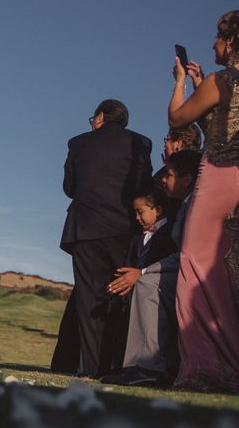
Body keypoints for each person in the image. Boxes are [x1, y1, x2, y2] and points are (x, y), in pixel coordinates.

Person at [168, 10, 239, 393]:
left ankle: (203, 368)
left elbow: (177, 118)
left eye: (217, 36)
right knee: (228, 274)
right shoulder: (218, 84)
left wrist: (182, 83)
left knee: (194, 267)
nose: (213, 43)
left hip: (218, 177)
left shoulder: (220, 80)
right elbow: (219, 128)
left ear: (230, 42)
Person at [56, 99, 153, 378]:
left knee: (88, 299)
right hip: (124, 229)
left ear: (100, 117)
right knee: (120, 296)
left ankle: (90, 367)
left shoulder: (78, 143)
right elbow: (142, 186)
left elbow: (69, 187)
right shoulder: (141, 143)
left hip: (85, 229)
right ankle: (115, 364)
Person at [103, 150, 201, 387]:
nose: (163, 180)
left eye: (169, 174)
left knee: (147, 284)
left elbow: (189, 255)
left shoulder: (196, 208)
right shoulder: (184, 207)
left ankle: (148, 367)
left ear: (187, 179)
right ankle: (136, 366)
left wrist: (143, 272)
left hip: (198, 279)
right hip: (181, 273)